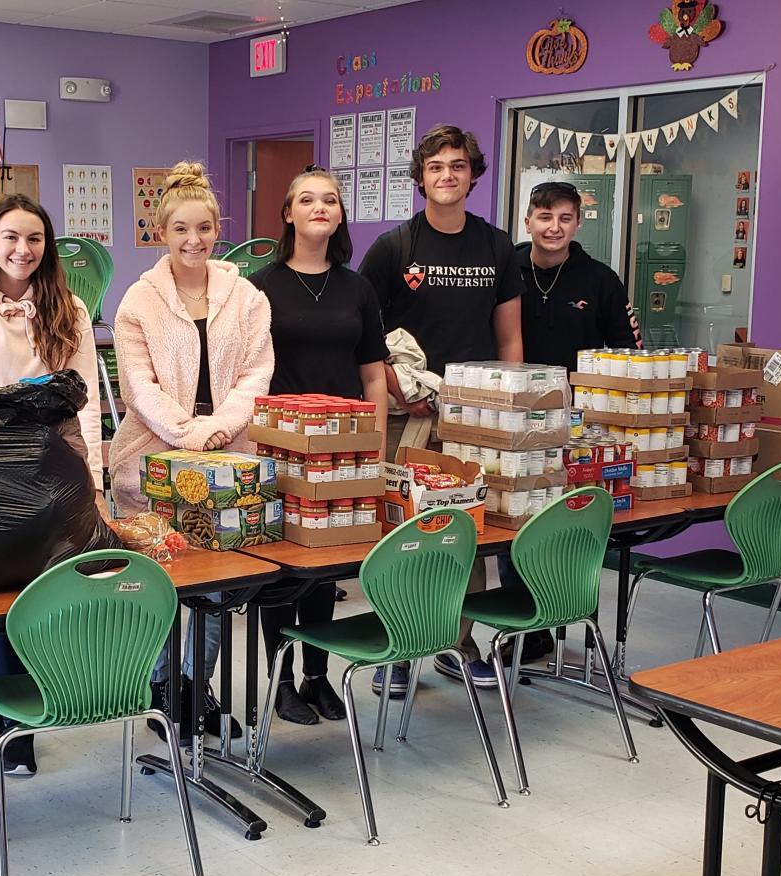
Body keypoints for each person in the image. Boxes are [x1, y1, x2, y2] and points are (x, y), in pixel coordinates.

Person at [0, 193, 104, 776]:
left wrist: (93, 477)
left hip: (57, 467)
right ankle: (13, 727)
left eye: (34, 238)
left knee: (47, 592)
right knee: (1, 595)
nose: (22, 249)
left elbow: (85, 400)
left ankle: (40, 700)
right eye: (9, 236)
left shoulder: (69, 308)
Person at [358, 124, 525, 696]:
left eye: (457, 165)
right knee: (401, 530)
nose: (447, 175)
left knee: (465, 531)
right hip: (407, 414)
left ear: (473, 175)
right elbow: (365, 334)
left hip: (474, 416)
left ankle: (459, 643)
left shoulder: (496, 247)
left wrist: (509, 404)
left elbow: (509, 338)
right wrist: (393, 386)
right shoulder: (394, 248)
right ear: (421, 177)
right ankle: (397, 649)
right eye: (435, 166)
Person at [109, 160, 273, 740]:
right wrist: (189, 434)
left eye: (203, 228)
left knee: (218, 582)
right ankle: (161, 687)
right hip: (151, 461)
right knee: (160, 581)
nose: (193, 240)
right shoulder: (138, 301)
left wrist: (220, 428)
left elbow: (256, 373)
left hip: (228, 457)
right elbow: (138, 386)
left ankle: (195, 684)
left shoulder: (247, 297)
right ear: (162, 233)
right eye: (180, 228)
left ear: (217, 230)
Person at [249, 167, 388, 724]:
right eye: (306, 200)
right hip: (281, 447)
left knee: (326, 566)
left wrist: (375, 447)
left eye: (329, 200)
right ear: (288, 214)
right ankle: (281, 681)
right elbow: (249, 372)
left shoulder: (357, 287)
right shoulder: (260, 286)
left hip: (343, 449)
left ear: (340, 214)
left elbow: (373, 374)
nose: (319, 208)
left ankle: (317, 675)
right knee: (284, 569)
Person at [515, 181, 639, 373]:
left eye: (565, 219)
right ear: (527, 224)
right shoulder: (507, 273)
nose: (555, 227)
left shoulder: (602, 280)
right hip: (514, 389)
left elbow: (629, 351)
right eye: (545, 218)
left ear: (578, 224)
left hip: (581, 392)